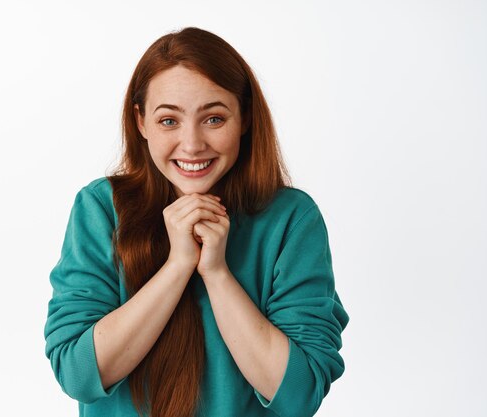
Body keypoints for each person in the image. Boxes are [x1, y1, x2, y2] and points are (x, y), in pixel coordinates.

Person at [44, 26, 349, 417]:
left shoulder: (291, 219)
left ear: (245, 119)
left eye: (214, 119)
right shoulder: (102, 208)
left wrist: (217, 272)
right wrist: (178, 265)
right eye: (169, 121)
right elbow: (77, 374)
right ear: (141, 123)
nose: (191, 144)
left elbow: (298, 394)